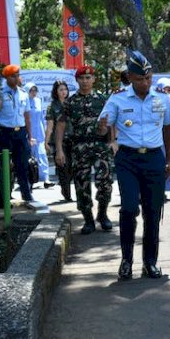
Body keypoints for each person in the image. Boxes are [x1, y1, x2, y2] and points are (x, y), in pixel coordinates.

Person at [99, 50, 170, 280]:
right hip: (128, 159)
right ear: (130, 77)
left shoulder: (161, 98)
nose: (146, 82)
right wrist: (102, 127)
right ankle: (126, 260)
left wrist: (169, 159)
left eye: (149, 78)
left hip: (154, 158)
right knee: (130, 208)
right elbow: (104, 125)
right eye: (141, 79)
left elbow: (168, 128)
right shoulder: (118, 98)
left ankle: (150, 262)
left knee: (152, 212)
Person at [55, 66, 114, 235]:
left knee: (105, 182)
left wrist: (113, 141)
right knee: (82, 184)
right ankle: (88, 219)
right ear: (77, 80)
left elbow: (112, 121)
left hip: (101, 146)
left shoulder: (103, 100)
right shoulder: (70, 103)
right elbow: (60, 126)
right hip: (79, 148)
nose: (85, 81)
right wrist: (59, 149)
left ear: (94, 79)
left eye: (88, 77)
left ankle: (102, 214)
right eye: (82, 78)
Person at [0, 64, 35, 204]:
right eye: (13, 76)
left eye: (18, 75)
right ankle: (3, 198)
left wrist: (30, 136)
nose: (17, 78)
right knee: (4, 165)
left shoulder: (23, 93)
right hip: (5, 132)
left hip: (21, 132)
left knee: (23, 164)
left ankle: (26, 194)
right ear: (6, 77)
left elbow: (27, 116)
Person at [45, 80, 73, 201]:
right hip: (58, 141)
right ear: (56, 91)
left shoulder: (71, 103)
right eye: (60, 89)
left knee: (72, 167)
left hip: (72, 139)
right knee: (63, 167)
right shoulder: (52, 106)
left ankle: (66, 186)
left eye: (65, 89)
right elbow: (50, 125)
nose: (63, 92)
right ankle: (67, 194)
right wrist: (46, 141)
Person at [25, 82, 53, 188]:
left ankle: (46, 179)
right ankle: (30, 180)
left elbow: (41, 116)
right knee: (29, 157)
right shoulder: (24, 102)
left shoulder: (38, 101)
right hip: (29, 133)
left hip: (39, 133)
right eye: (31, 90)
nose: (33, 93)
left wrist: (45, 131)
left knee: (42, 156)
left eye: (35, 90)